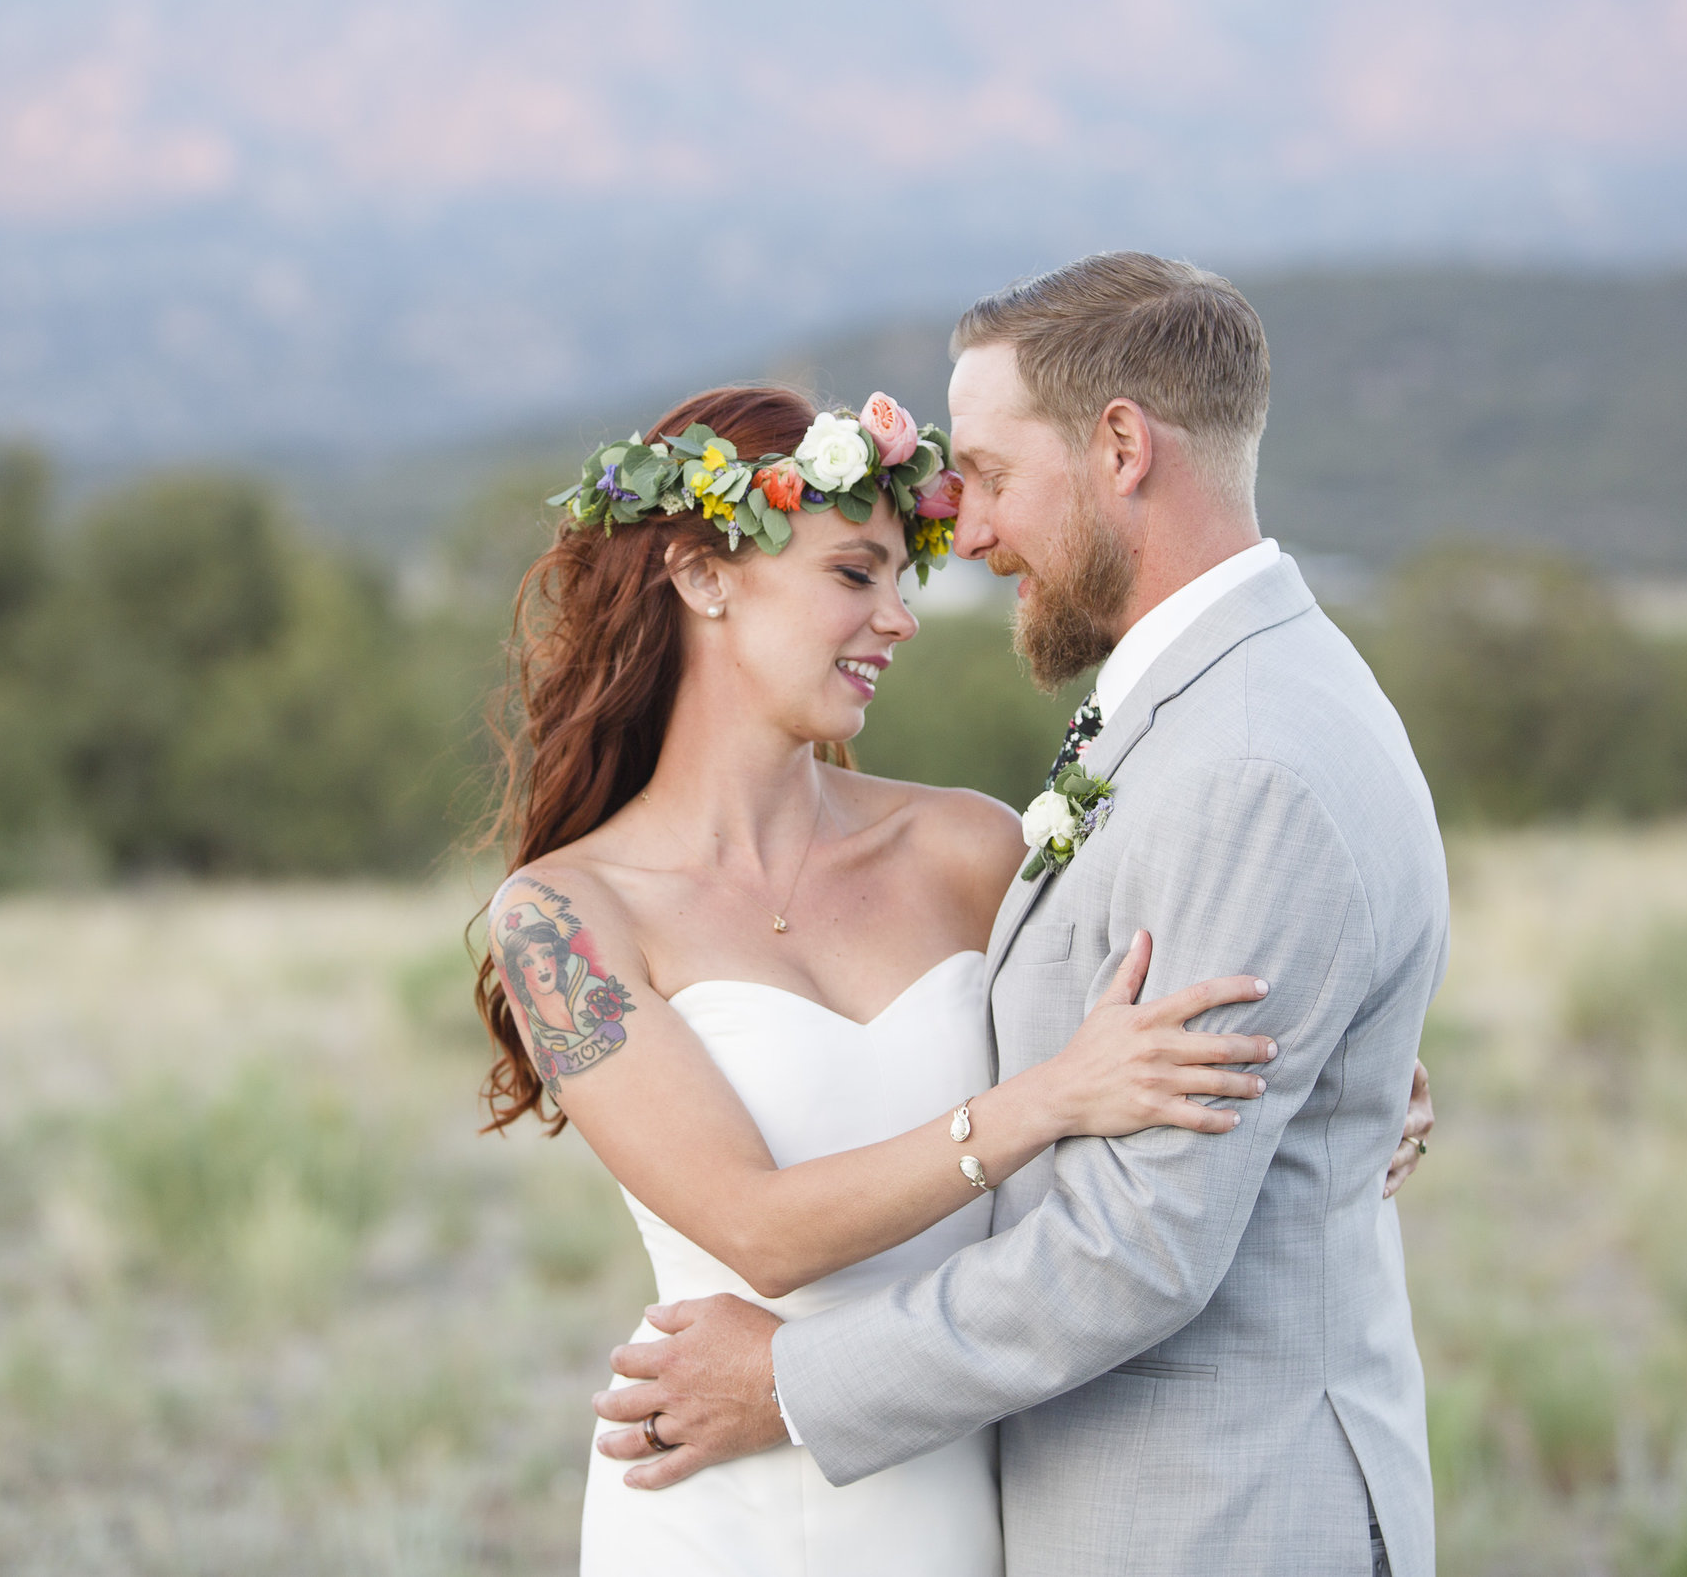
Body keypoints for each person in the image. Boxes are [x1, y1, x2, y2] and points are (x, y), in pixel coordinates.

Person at [590, 255, 1447, 1577]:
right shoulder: (1207, 715)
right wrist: (1321, 1080)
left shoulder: (1227, 759)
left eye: (984, 479)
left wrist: (796, 1381)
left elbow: (1144, 1238)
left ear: (1120, 447)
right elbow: (1105, 1044)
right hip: (787, 1497)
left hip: (1191, 1518)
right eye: (858, 568)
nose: (967, 545)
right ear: (704, 578)